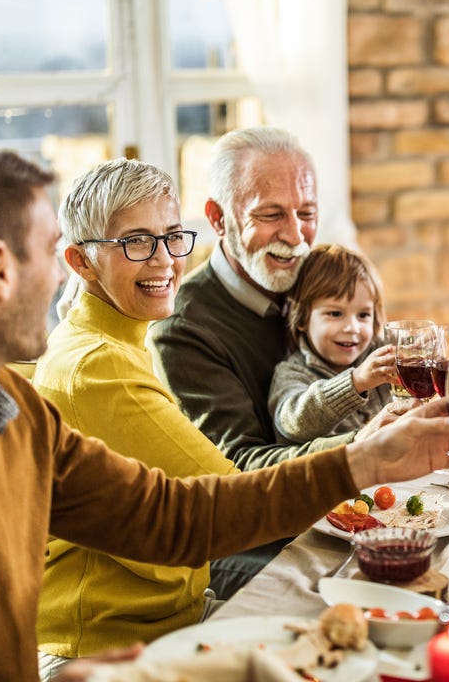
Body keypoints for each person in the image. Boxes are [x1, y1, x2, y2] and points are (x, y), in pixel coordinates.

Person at [0, 147, 449, 682]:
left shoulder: (13, 413)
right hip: (103, 641)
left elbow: (175, 515)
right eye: (50, 251)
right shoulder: (79, 370)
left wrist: (361, 460)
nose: (60, 277)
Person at [148, 126, 378, 596]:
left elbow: (373, 338)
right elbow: (239, 469)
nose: (295, 237)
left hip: (339, 510)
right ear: (217, 218)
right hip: (245, 543)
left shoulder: (309, 280)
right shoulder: (183, 329)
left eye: (307, 213)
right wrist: (365, 450)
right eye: (271, 215)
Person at [33, 159, 235, 677]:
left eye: (172, 236)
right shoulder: (96, 364)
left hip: (171, 620)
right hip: (105, 649)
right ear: (81, 261)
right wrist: (364, 462)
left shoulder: (120, 338)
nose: (165, 260)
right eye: (137, 242)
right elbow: (233, 496)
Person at [269, 243, 398, 444]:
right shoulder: (293, 372)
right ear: (302, 319)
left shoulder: (381, 354)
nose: (352, 328)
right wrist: (355, 382)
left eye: (363, 315)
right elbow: (292, 423)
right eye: (335, 314)